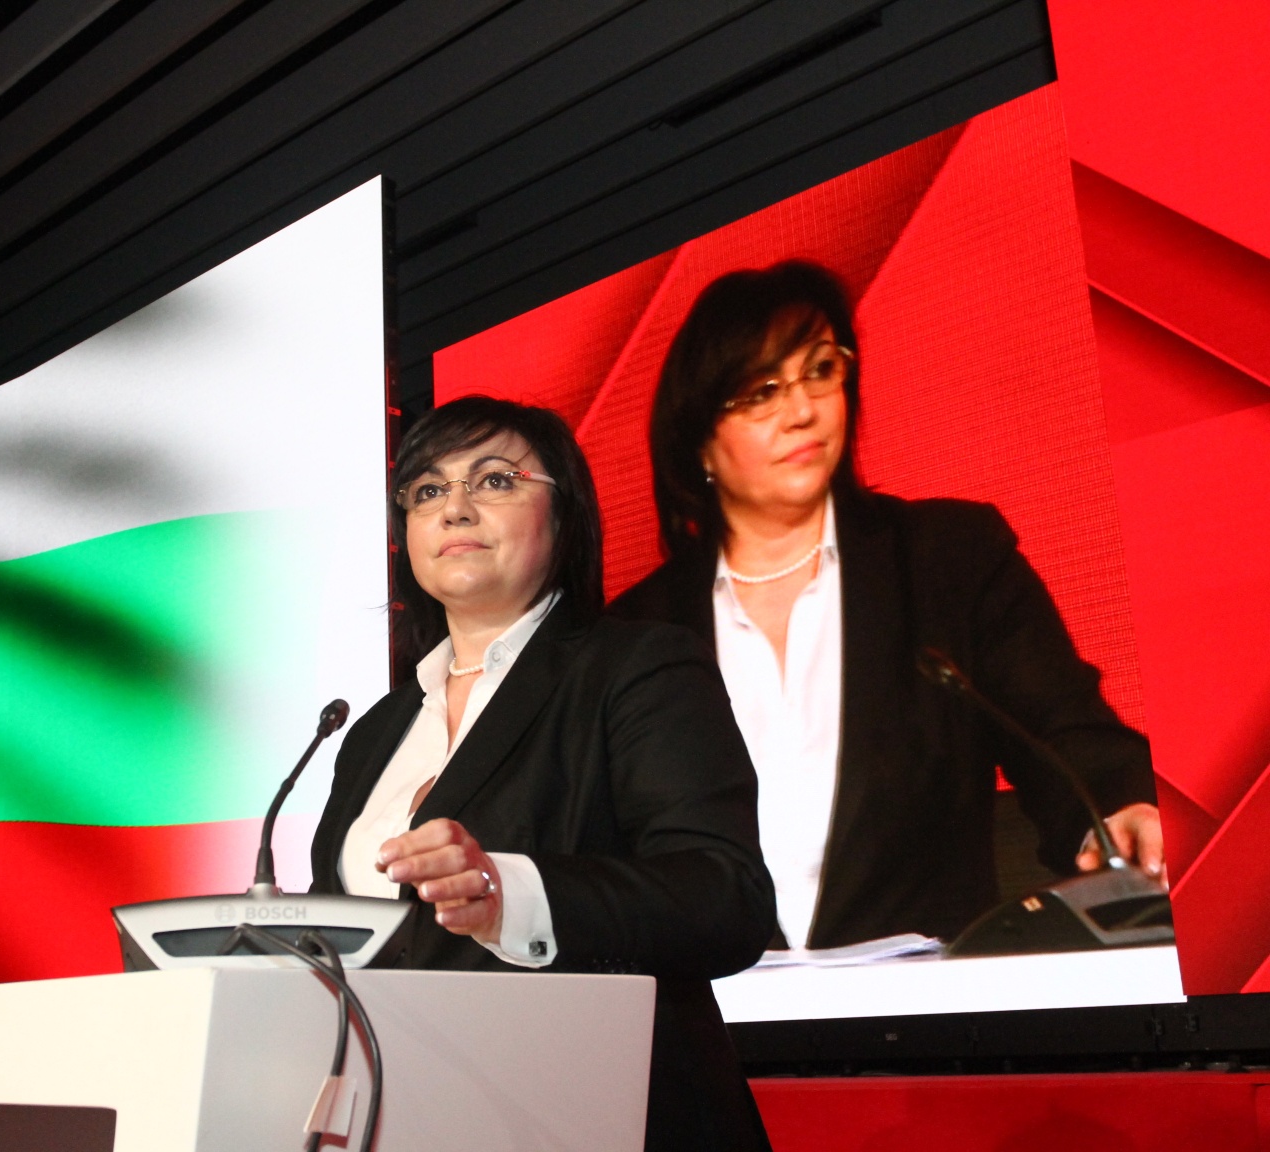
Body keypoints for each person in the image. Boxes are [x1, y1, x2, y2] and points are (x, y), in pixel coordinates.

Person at [609, 260, 1162, 953]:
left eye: (821, 371)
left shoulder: (949, 559)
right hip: (716, 1006)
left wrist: (1119, 808)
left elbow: (1064, 736)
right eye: (762, 392)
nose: (803, 411)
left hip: (930, 1001)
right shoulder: (636, 633)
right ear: (700, 443)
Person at [310, 396, 777, 1150]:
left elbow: (726, 899)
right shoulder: (372, 732)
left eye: (495, 480)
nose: (454, 508)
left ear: (565, 518)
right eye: (427, 490)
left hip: (602, 1118)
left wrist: (510, 893)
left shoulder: (638, 668)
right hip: (413, 1121)